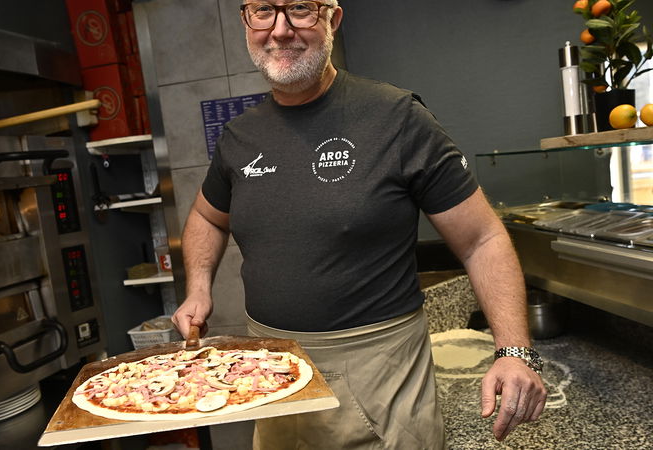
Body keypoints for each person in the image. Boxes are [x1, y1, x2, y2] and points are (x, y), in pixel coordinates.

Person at [172, 1, 547, 448]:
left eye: (299, 10)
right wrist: (198, 286)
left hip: (381, 382)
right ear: (246, 22)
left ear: (333, 18)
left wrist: (514, 352)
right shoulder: (238, 138)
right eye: (264, 11)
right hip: (271, 378)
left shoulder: (397, 117)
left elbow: (482, 239)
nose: (280, 29)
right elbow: (206, 217)